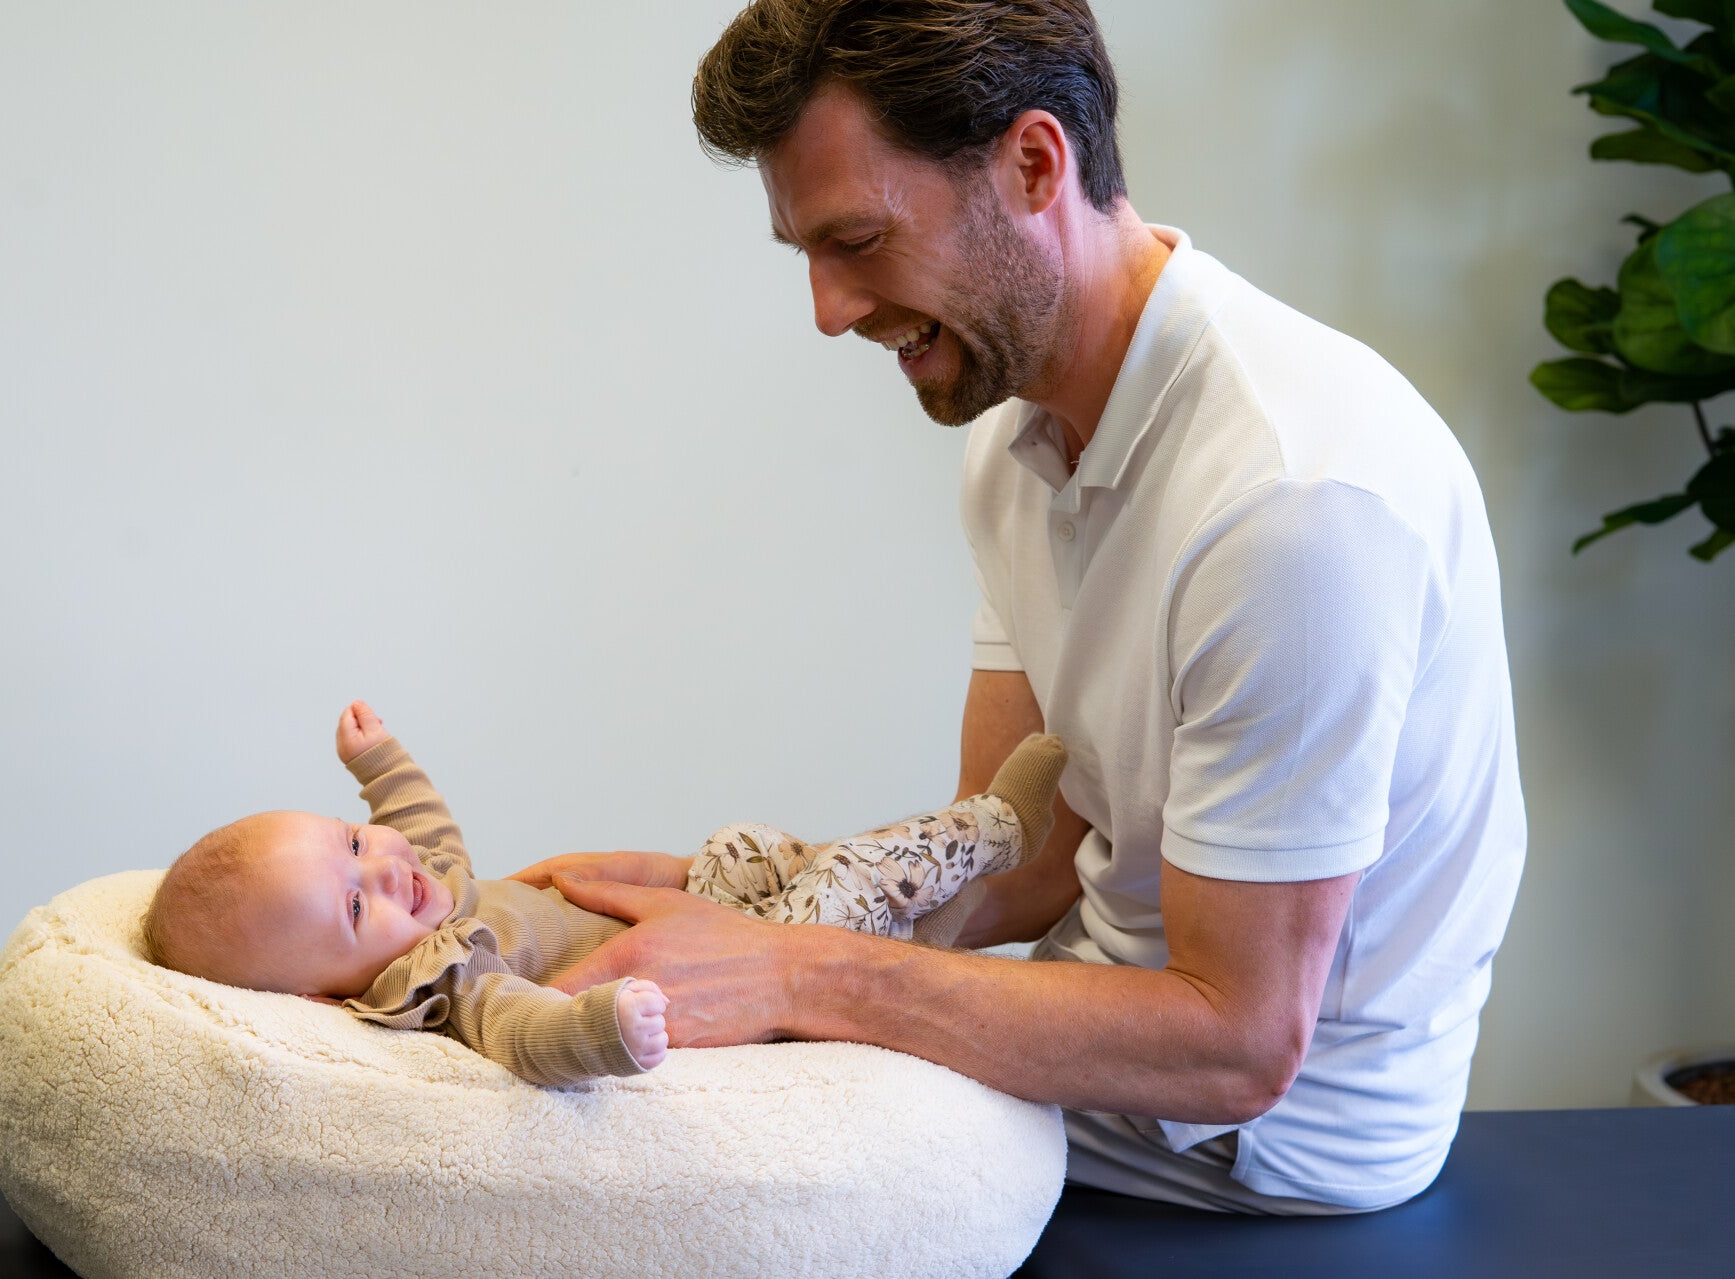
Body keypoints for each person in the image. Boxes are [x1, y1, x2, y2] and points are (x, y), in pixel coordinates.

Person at [513, 0, 1526, 1212]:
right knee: (592, 1046)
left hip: (1253, 1144)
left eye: (857, 240)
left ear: (1034, 163)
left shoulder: (1291, 506)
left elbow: (1237, 1042)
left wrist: (788, 971)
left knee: (609, 1152)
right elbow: (1019, 847)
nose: (829, 311)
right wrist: (758, 895)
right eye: (807, 256)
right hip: (1102, 1067)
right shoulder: (1015, 442)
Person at [140, 701, 1068, 1087]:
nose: (385, 867)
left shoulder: (424, 888)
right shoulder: (445, 973)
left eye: (350, 843)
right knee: (847, 883)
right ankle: (996, 829)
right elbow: (521, 1032)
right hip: (750, 963)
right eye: (352, 907)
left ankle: (946, 897)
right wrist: (606, 1029)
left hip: (718, 910)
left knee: (745, 847)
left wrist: (378, 765)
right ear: (324, 993)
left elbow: (422, 831)